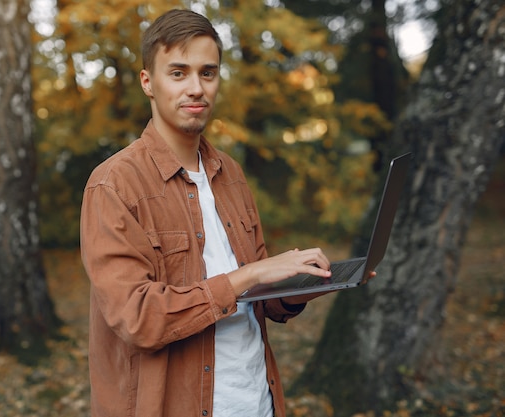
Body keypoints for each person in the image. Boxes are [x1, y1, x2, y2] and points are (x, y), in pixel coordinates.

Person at [80, 8, 369, 417]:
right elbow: (138, 318)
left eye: (208, 73)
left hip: (257, 402)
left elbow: (259, 301)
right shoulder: (114, 184)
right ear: (148, 81)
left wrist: (309, 281)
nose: (196, 88)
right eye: (178, 73)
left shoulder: (229, 174)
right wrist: (248, 275)